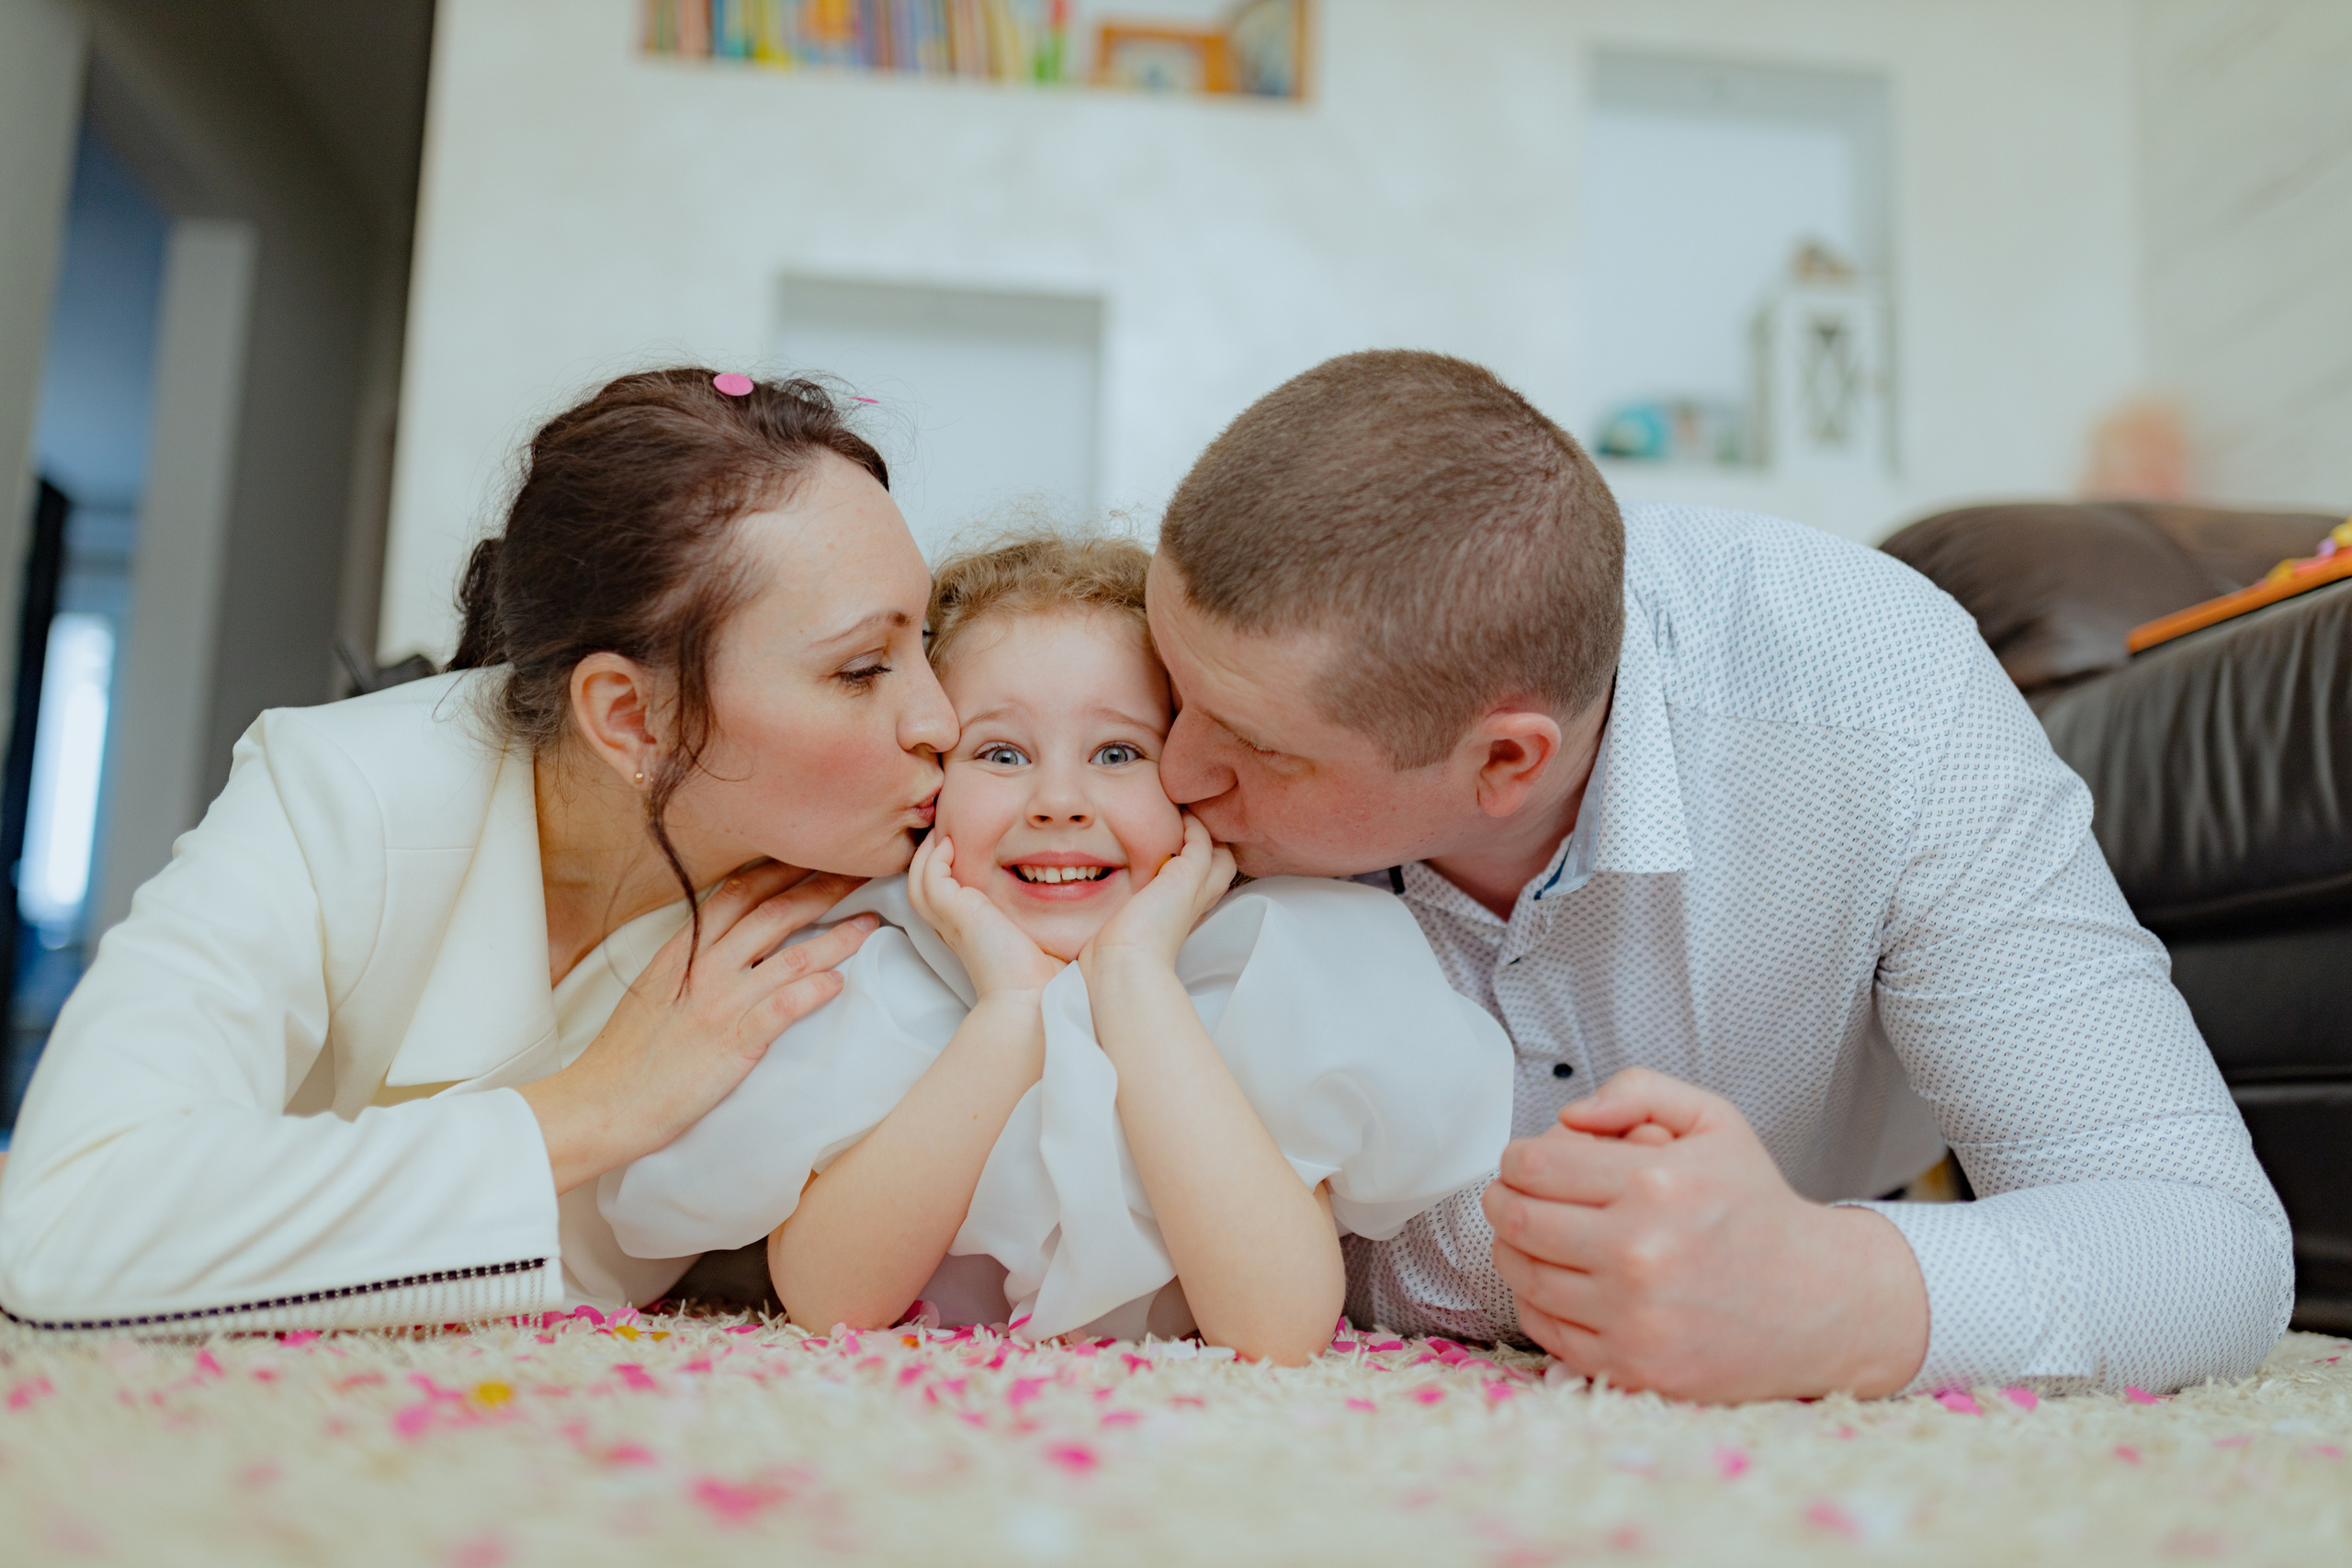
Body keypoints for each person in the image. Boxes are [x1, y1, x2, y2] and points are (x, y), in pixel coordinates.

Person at [1142, 349, 2293, 1402]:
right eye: (1168, 691)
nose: (1172, 770)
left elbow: (2208, 1244)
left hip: (1837, 1204)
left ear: (1504, 762)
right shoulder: (1142, 734)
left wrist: (1831, 1292)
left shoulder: (1886, 702)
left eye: (1256, 749)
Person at [0, 369, 959, 1331]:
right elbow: (65, 1227)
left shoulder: (888, 890)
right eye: (861, 669)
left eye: (927, 642)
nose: (942, 720)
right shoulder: (340, 792)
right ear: (632, 718)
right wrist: (595, 1108)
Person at [599, 534, 1512, 1365]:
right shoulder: (866, 968)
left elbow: (1277, 1329)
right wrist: (1011, 1009)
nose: (1059, 803)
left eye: (1118, 754)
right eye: (1001, 754)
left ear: (1192, 779)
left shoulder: (1259, 970)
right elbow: (831, 1301)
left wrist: (1136, 977)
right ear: (930, 784)